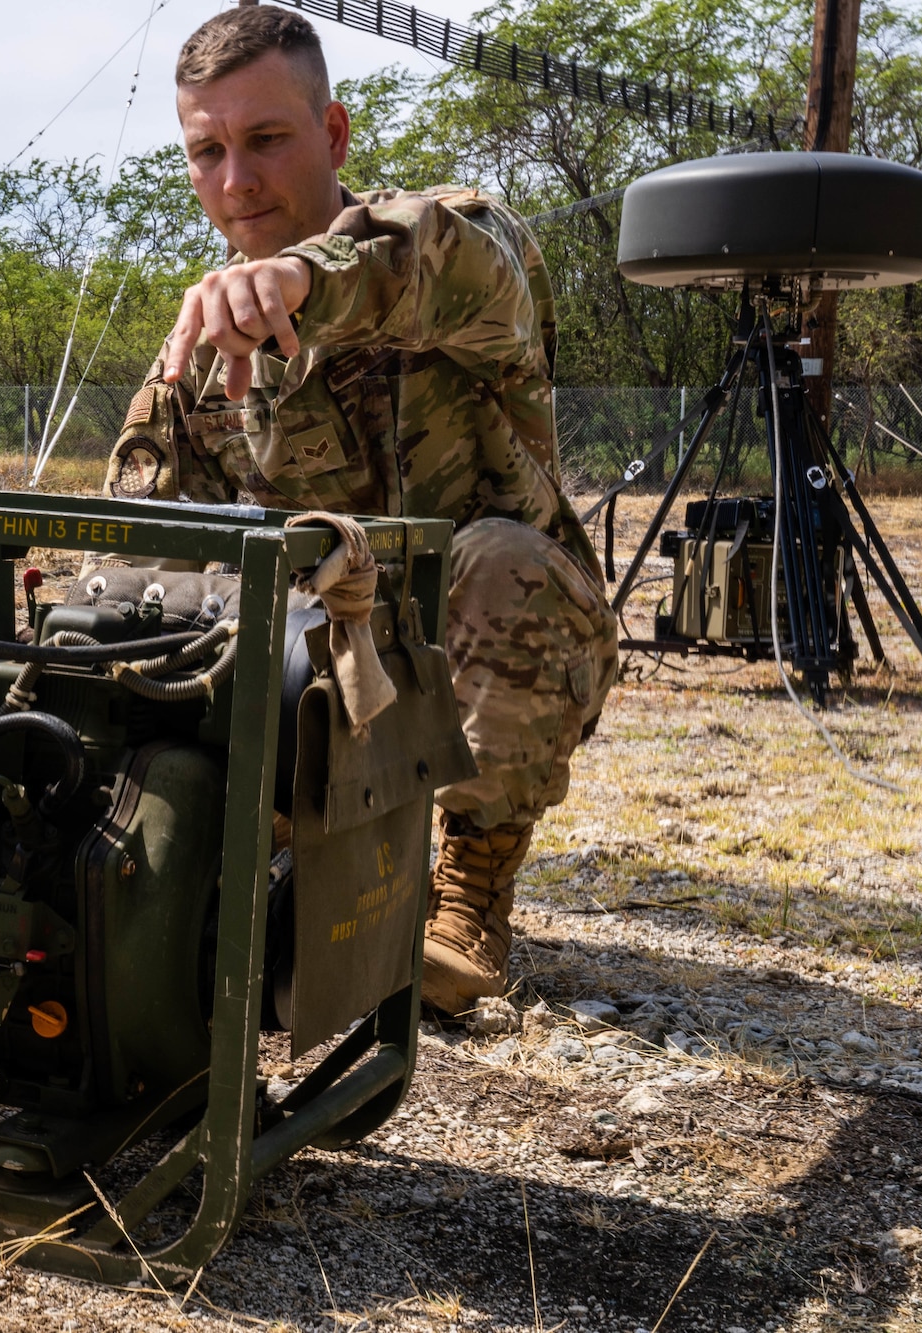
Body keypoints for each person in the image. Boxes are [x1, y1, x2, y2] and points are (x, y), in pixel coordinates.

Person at [102, 8, 616, 1016]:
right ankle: (262, 851)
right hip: (318, 673)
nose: (234, 184)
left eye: (264, 141)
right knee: (130, 594)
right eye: (206, 152)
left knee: (502, 559)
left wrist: (294, 278)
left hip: (469, 643)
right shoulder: (204, 346)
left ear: (332, 136)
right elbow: (135, 533)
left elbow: (443, 261)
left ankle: (468, 889)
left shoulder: (455, 240)